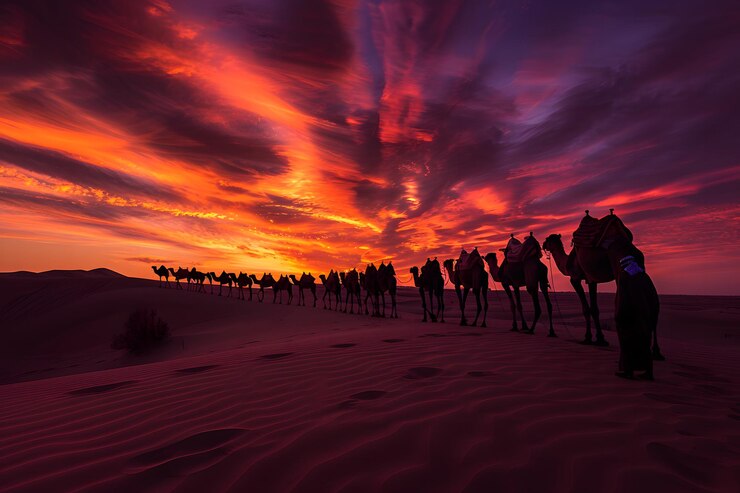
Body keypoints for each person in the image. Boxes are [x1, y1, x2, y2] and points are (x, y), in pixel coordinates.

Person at [609, 238, 658, 380]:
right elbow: (653, 298)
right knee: (644, 343)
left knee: (627, 344)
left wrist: (620, 316)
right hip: (645, 317)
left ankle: (628, 371)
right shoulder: (644, 276)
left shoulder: (625, 277)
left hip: (630, 318)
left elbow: (624, 299)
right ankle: (648, 372)